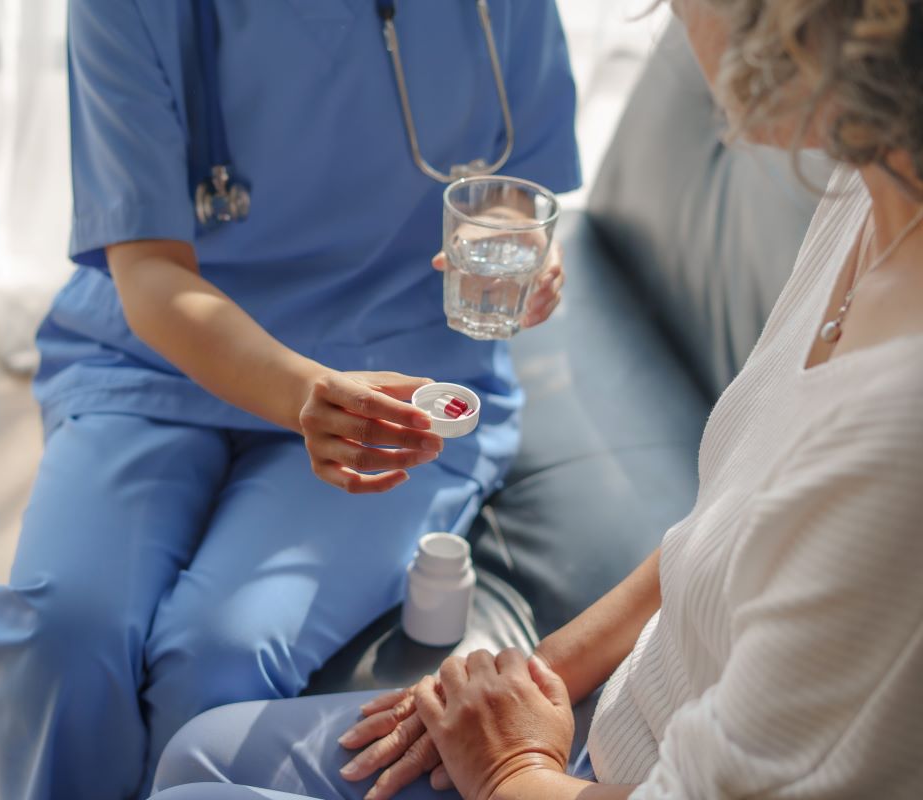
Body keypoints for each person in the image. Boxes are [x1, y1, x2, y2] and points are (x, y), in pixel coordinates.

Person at [148, 0, 923, 797]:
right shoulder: (864, 198)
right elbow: (725, 532)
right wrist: (532, 673)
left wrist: (509, 763)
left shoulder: (894, 440)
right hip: (608, 726)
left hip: (597, 775)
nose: (676, 17)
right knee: (197, 754)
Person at [0, 1, 581, 798]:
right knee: (61, 636)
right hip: (160, 362)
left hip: (394, 379)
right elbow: (148, 269)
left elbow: (509, 184)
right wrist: (302, 393)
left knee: (220, 657)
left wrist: (521, 254)